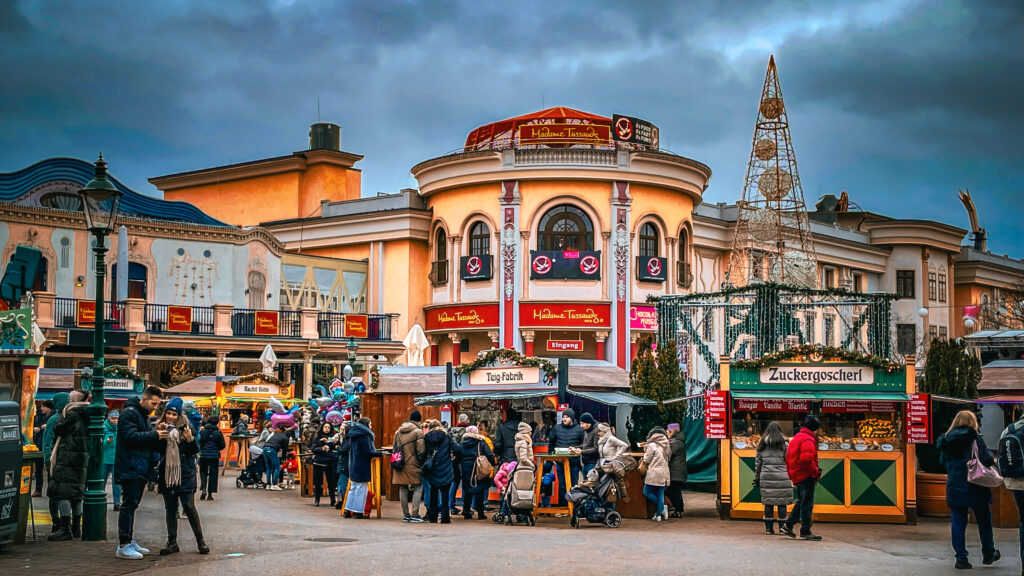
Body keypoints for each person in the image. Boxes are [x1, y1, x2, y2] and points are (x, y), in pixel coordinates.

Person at [939, 410, 1000, 569]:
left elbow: (942, 462)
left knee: (958, 522)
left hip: (955, 485)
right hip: (976, 486)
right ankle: (988, 553)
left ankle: (961, 558)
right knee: (984, 520)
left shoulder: (946, 440)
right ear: (973, 422)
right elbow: (986, 459)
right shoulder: (975, 439)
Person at [115, 386, 166, 560]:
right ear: (143, 399)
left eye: (157, 404)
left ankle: (128, 540)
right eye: (153, 403)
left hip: (137, 465)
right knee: (129, 504)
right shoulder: (130, 413)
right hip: (131, 465)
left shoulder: (141, 415)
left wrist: (154, 432)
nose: (155, 407)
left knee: (132, 504)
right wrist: (155, 435)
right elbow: (131, 437)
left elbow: (139, 436)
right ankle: (124, 544)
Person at [155, 397, 208, 556]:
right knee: (170, 509)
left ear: (179, 415)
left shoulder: (187, 427)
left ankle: (201, 541)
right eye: (168, 413)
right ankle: (172, 542)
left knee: (189, 507)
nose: (170, 417)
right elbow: (156, 451)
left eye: (174, 414)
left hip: (185, 473)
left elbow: (194, 451)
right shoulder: (160, 428)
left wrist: (190, 439)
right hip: (167, 474)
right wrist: (159, 437)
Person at [47, 390, 90, 540]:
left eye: (71, 397)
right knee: (77, 495)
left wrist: (60, 419)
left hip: (68, 457)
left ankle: (65, 528)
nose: (69, 398)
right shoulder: (87, 413)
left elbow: (59, 428)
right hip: (81, 458)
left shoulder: (73, 413)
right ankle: (76, 528)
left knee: (62, 492)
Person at [781, 415, 822, 541]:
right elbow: (806, 459)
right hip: (805, 475)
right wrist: (815, 472)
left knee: (801, 502)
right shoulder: (808, 439)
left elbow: (788, 458)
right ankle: (805, 530)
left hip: (797, 474)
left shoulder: (797, 437)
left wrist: (791, 475)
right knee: (807, 503)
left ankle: (788, 525)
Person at [754, 421, 792, 534]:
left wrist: (757, 478)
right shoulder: (785, 444)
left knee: (768, 503)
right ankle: (782, 528)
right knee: (782, 503)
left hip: (766, 477)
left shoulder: (762, 445)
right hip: (783, 477)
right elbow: (789, 461)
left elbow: (758, 464)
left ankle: (769, 529)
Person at [392, 410, 427, 522]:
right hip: (414, 464)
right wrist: (421, 462)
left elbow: (395, 448)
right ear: (419, 420)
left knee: (403, 488)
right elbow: (421, 450)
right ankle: (415, 515)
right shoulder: (418, 432)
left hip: (400, 463)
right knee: (417, 488)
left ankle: (406, 515)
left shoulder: (398, 431)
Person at [41, 392, 68, 536]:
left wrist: (47, 460)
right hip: (68, 461)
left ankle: (57, 523)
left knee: (54, 494)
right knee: (69, 495)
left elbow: (47, 442)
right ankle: (71, 525)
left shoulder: (53, 420)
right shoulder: (70, 417)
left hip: (55, 461)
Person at [344, 417, 381, 519]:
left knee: (353, 488)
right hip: (361, 465)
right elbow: (368, 452)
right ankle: (357, 512)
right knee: (361, 489)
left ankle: (348, 510)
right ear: (366, 425)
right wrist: (380, 453)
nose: (371, 426)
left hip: (353, 464)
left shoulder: (353, 434)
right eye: (370, 424)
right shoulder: (365, 435)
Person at [548, 408, 584, 507]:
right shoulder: (557, 428)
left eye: (567, 417)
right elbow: (551, 443)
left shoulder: (579, 429)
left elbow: (583, 444)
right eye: (563, 417)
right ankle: (563, 506)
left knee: (574, 485)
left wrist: (576, 449)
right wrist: (552, 458)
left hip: (574, 462)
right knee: (562, 485)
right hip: (560, 462)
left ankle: (574, 508)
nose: (564, 419)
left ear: (572, 418)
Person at [459, 425, 495, 520]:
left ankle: (466, 512)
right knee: (479, 491)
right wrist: (493, 463)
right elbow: (489, 454)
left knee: (467, 491)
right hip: (478, 468)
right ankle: (480, 513)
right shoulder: (480, 441)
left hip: (466, 468)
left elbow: (458, 455)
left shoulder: (463, 442)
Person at [423, 419, 455, 524]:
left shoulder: (427, 438)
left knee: (433, 494)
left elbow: (424, 453)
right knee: (445, 495)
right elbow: (458, 448)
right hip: (446, 468)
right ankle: (445, 518)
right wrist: (453, 456)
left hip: (433, 468)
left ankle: (433, 517)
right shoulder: (447, 437)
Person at [641, 427, 671, 521]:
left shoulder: (652, 445)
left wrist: (645, 450)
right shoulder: (666, 444)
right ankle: (658, 515)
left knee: (646, 491)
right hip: (664, 473)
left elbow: (646, 460)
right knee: (660, 494)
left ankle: (661, 509)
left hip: (654, 473)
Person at [596, 422, 630, 503]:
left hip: (611, 466)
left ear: (604, 431)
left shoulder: (611, 439)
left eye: (599, 431)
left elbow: (624, 445)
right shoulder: (601, 440)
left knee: (611, 488)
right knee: (604, 488)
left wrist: (617, 456)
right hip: (603, 465)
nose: (598, 432)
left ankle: (612, 509)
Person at [311, 422, 338, 507]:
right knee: (318, 482)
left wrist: (332, 443)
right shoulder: (317, 438)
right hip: (319, 462)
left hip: (329, 461)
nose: (327, 429)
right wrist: (322, 448)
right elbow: (313, 449)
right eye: (325, 427)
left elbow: (335, 447)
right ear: (322, 428)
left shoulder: (332, 438)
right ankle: (317, 499)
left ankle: (332, 500)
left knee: (331, 482)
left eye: (328, 427)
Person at [198, 416, 225, 502]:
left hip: (204, 455)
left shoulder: (202, 432)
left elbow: (199, 443)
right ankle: (210, 494)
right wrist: (216, 448)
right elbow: (222, 445)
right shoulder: (218, 433)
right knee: (213, 474)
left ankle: (203, 490)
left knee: (203, 472)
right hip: (214, 456)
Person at [448, 413, 470, 516]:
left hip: (454, 458)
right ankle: (466, 506)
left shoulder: (452, 430)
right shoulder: (467, 431)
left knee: (455, 481)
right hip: (465, 459)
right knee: (466, 482)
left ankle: (451, 505)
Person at [665, 423, 688, 518]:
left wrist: (667, 439)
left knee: (672, 491)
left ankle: (678, 510)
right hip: (677, 472)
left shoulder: (675, 443)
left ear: (671, 431)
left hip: (675, 472)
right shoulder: (677, 441)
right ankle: (678, 510)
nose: (666, 431)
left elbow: (667, 454)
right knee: (674, 491)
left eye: (667, 430)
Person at [32, 400, 53, 497]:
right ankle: (38, 490)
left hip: (50, 445)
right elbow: (33, 426)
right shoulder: (38, 416)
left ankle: (50, 490)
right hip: (39, 444)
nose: (41, 408)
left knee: (50, 468)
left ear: (49, 408)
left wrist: (48, 426)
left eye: (43, 407)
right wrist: (34, 429)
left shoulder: (54, 417)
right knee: (38, 467)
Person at [102, 410, 122, 510]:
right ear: (109, 419)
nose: (115, 421)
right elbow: (100, 444)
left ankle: (117, 503)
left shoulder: (121, 429)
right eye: (113, 418)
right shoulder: (104, 428)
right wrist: (107, 441)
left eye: (117, 419)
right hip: (105, 460)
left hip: (116, 460)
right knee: (102, 481)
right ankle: (100, 500)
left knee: (117, 483)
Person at [262, 425, 290, 490]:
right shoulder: (285, 438)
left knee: (269, 467)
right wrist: (283, 459)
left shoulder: (276, 434)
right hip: (272, 449)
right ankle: (274, 484)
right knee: (277, 467)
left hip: (265, 448)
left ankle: (268, 485)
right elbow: (285, 450)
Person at [572, 412, 600, 477]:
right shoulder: (586, 430)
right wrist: (575, 447)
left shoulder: (596, 431)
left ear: (588, 423)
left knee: (591, 483)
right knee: (585, 484)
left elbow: (596, 448)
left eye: (582, 424)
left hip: (593, 463)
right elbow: (585, 444)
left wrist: (582, 451)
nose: (581, 426)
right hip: (585, 462)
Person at [334, 422, 351, 510]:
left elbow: (343, 450)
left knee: (342, 482)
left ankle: (343, 501)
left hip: (345, 463)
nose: (341, 431)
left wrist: (338, 448)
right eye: (341, 429)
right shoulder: (341, 438)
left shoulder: (347, 439)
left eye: (343, 429)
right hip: (342, 462)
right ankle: (340, 500)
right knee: (341, 482)